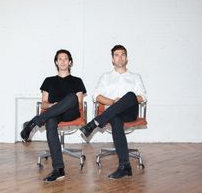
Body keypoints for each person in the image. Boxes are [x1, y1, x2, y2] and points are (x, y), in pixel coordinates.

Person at [80, 45, 147, 179]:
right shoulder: (105, 76)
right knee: (116, 119)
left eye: (123, 54)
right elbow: (96, 96)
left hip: (130, 112)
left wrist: (124, 101)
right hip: (112, 113)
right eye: (117, 55)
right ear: (112, 59)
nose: (120, 57)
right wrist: (113, 102)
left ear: (126, 58)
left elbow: (143, 97)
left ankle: (94, 123)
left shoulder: (135, 76)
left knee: (129, 95)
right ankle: (125, 166)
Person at [20, 49, 86, 182]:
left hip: (71, 112)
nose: (62, 61)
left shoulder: (77, 81)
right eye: (60, 59)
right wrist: (53, 106)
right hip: (53, 113)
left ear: (70, 62)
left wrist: (65, 103)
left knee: (72, 97)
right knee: (50, 121)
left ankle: (33, 123)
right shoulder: (49, 81)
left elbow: (79, 104)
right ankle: (58, 169)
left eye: (65, 59)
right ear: (56, 62)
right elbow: (43, 104)